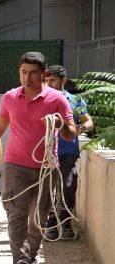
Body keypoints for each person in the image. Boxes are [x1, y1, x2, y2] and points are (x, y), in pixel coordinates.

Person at [0, 52, 76, 264]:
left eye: (33, 73)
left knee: (38, 217)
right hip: (15, 165)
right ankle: (22, 262)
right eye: (24, 72)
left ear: (44, 74)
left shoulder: (57, 99)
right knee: (16, 215)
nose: (28, 78)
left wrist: (60, 124)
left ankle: (31, 256)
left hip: (46, 165)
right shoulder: (10, 97)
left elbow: (71, 132)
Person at [44, 65, 94, 241]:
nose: (49, 84)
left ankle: (65, 225)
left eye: (53, 80)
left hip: (68, 151)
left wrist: (81, 127)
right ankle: (50, 226)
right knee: (48, 190)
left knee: (68, 187)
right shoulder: (41, 100)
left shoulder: (75, 100)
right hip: (46, 152)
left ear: (63, 81)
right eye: (47, 80)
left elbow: (89, 122)